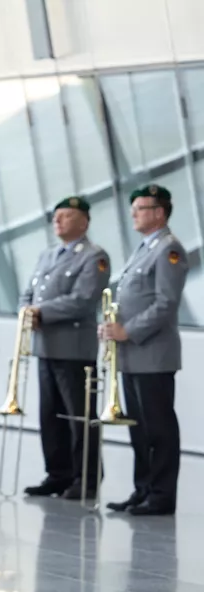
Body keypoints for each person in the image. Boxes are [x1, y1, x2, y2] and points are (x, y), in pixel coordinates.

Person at [103, 185, 187, 517]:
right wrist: (112, 326)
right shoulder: (143, 249)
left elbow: (166, 303)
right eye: (134, 207)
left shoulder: (169, 250)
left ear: (159, 212)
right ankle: (143, 490)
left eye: (140, 208)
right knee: (139, 427)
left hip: (153, 354)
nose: (134, 213)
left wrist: (128, 330)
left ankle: (162, 496)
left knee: (159, 428)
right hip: (133, 355)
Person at [20, 196, 108, 501]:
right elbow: (28, 293)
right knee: (50, 415)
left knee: (79, 416)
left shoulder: (94, 256)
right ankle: (57, 474)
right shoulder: (47, 255)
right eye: (56, 216)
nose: (58, 221)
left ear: (83, 222)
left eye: (66, 216)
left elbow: (83, 299)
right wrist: (26, 312)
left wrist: (41, 312)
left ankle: (86, 477)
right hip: (45, 346)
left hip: (74, 350)